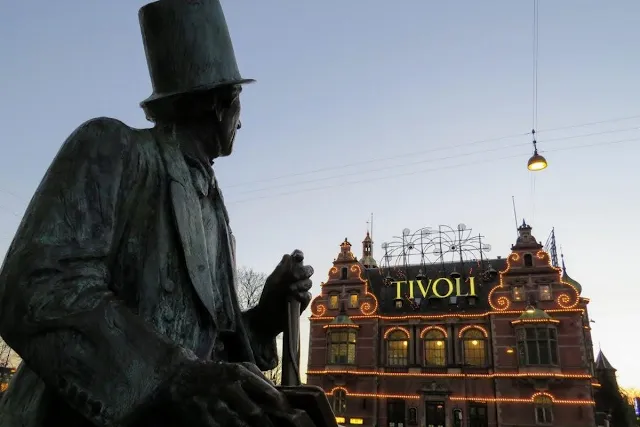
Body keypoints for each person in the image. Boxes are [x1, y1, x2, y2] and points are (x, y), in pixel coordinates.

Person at [0, 1, 314, 426]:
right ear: (220, 104)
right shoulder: (113, 148)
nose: (242, 120)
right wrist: (171, 374)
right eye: (239, 101)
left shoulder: (216, 210)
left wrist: (265, 316)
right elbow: (38, 288)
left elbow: (208, 349)